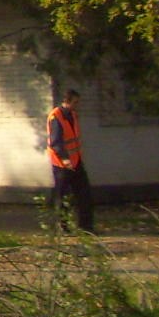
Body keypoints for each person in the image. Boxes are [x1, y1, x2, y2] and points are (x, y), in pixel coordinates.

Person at [46, 89, 94, 233]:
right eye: (75, 102)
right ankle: (62, 227)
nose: (77, 105)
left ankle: (86, 227)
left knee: (84, 194)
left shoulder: (72, 115)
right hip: (62, 164)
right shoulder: (56, 116)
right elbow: (56, 142)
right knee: (62, 197)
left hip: (76, 161)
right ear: (67, 101)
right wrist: (65, 159)